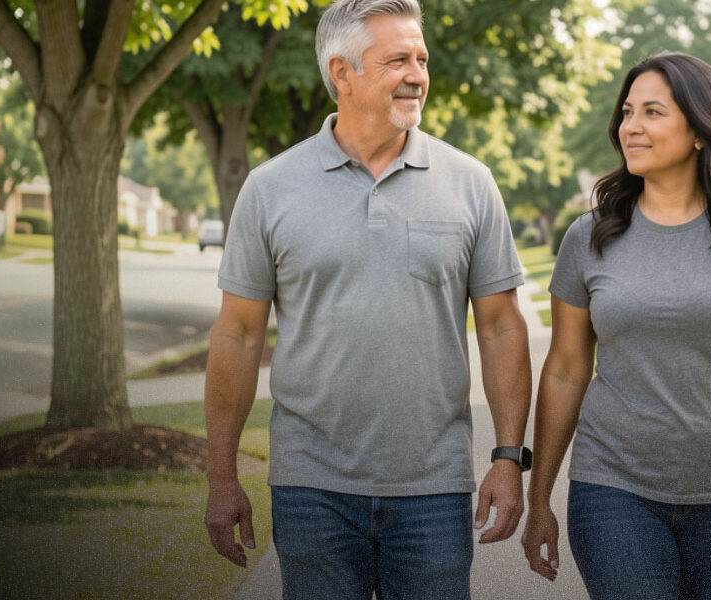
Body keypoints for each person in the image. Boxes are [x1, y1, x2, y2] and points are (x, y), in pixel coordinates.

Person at [203, 1, 533, 598]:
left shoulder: (470, 183)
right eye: (397, 60)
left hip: (434, 486)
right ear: (342, 72)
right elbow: (238, 335)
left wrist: (509, 458)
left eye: (422, 59)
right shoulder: (269, 188)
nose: (417, 74)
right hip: (312, 486)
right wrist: (221, 476)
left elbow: (502, 327)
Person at [520, 52, 711, 600]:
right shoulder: (588, 238)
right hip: (613, 488)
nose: (630, 126)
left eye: (652, 112)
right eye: (627, 112)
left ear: (701, 130)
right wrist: (539, 497)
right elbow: (564, 369)